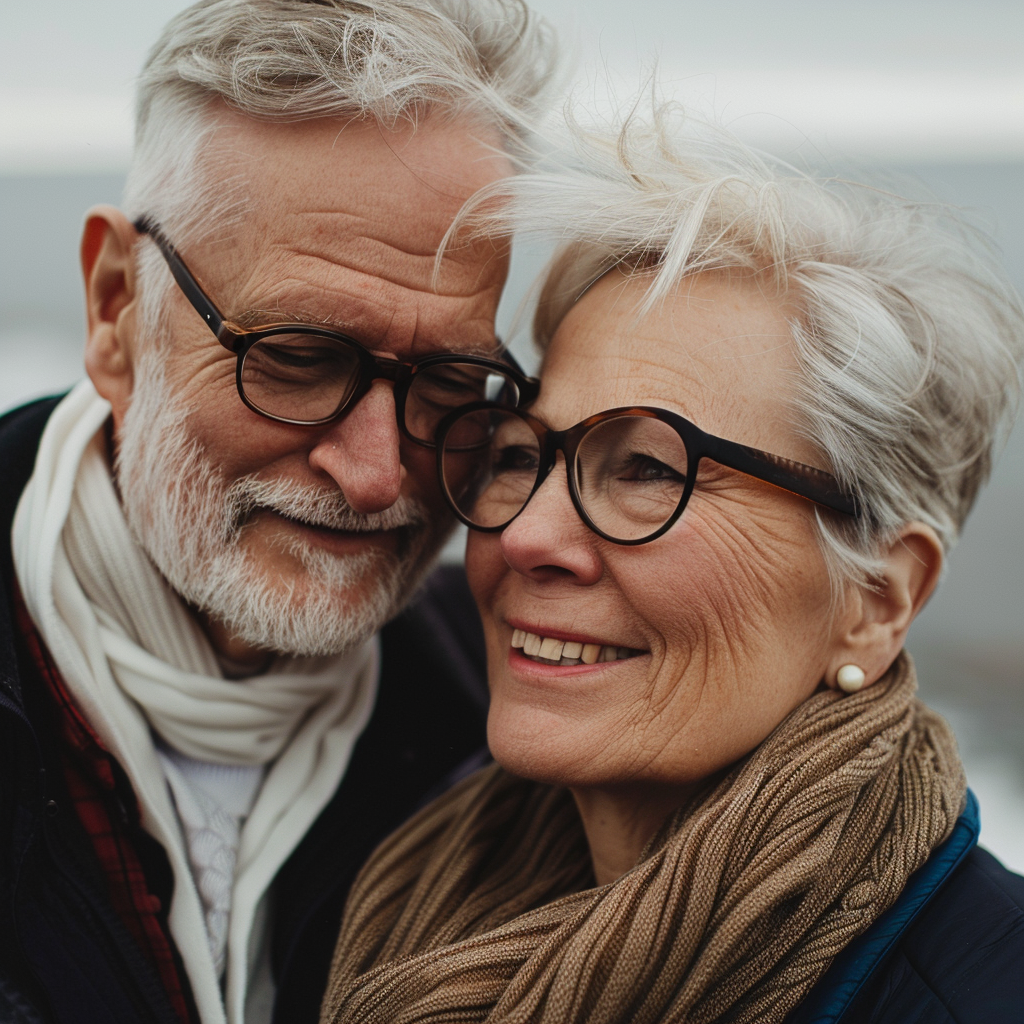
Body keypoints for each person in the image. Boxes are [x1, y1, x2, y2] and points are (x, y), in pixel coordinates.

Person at [320, 108, 1024, 1023]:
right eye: (525, 455)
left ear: (875, 602)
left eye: (648, 469)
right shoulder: (411, 877)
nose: (527, 536)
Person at [0, 3, 557, 1023]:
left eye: (448, 384)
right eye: (299, 359)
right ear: (117, 309)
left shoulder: (512, 746)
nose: (378, 474)